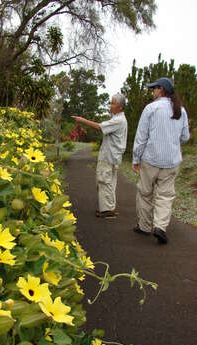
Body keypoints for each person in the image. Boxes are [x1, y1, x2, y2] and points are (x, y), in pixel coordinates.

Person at [132, 77, 190, 244]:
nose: (153, 91)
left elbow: (141, 137)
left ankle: (144, 226)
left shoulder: (151, 108)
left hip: (150, 160)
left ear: (161, 90)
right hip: (171, 161)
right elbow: (185, 137)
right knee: (165, 195)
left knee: (145, 193)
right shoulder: (181, 110)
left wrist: (136, 158)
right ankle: (160, 227)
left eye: (154, 88)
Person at [72, 93, 128, 219]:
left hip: (109, 156)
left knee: (104, 180)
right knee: (109, 182)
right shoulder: (119, 119)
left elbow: (99, 127)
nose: (111, 105)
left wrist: (82, 120)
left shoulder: (118, 120)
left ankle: (107, 210)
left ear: (120, 107)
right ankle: (109, 208)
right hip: (113, 156)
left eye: (113, 103)